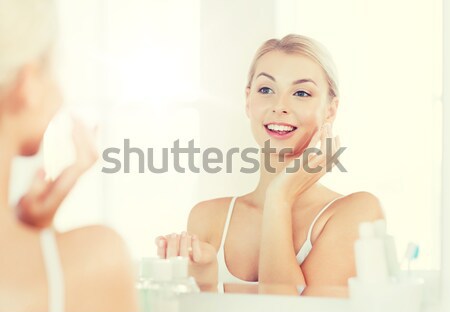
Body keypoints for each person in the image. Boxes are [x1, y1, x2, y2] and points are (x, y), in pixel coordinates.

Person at [155, 34, 384, 287]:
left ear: (330, 110)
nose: (280, 106)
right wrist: (205, 280)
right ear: (248, 100)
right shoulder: (207, 217)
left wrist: (279, 197)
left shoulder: (356, 213)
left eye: (301, 92)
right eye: (266, 89)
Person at [0, 0, 138, 311]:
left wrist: (33, 230)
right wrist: (43, 247)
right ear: (28, 83)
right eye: (55, 68)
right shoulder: (97, 261)